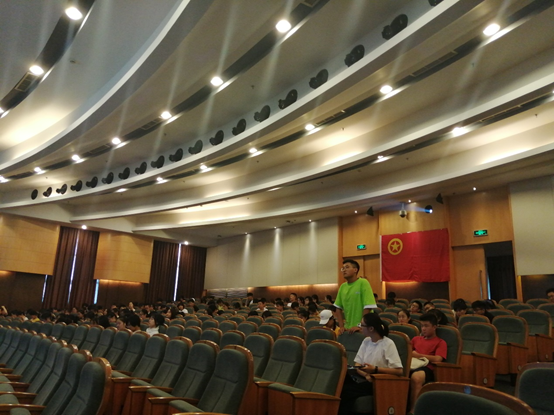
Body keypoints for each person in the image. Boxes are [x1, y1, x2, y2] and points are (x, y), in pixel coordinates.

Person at [338, 313, 403, 415]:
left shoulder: (388, 343)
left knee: (345, 392)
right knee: (340, 383)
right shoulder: (366, 341)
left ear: (371, 328)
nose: (360, 328)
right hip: (364, 377)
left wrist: (375, 370)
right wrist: (366, 374)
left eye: (362, 325)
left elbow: (399, 371)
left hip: (378, 381)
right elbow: (357, 364)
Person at [408, 313, 447, 413]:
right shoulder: (416, 339)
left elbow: (438, 359)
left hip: (428, 368)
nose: (423, 329)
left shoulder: (440, 342)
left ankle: (414, 411)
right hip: (412, 364)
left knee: (416, 377)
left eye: (426, 326)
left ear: (434, 327)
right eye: (422, 326)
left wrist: (418, 355)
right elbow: (407, 352)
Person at [334, 259, 377, 333]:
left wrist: (360, 325)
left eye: (347, 267)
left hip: (364, 328)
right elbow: (338, 308)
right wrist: (341, 326)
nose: (344, 270)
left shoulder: (363, 282)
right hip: (348, 328)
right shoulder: (342, 286)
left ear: (355, 270)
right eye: (343, 268)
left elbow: (368, 307)